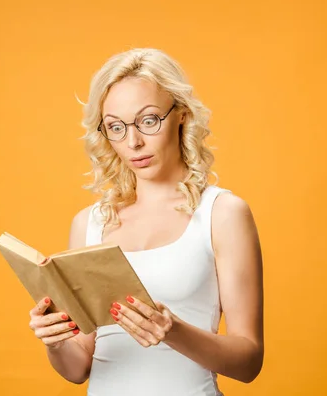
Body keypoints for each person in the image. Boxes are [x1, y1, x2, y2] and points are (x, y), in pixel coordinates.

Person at [27, 48, 264, 395]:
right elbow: (78, 368)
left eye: (149, 120)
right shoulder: (88, 224)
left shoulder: (222, 214)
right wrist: (55, 341)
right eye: (116, 127)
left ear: (181, 115)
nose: (134, 142)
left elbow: (249, 362)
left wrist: (172, 331)